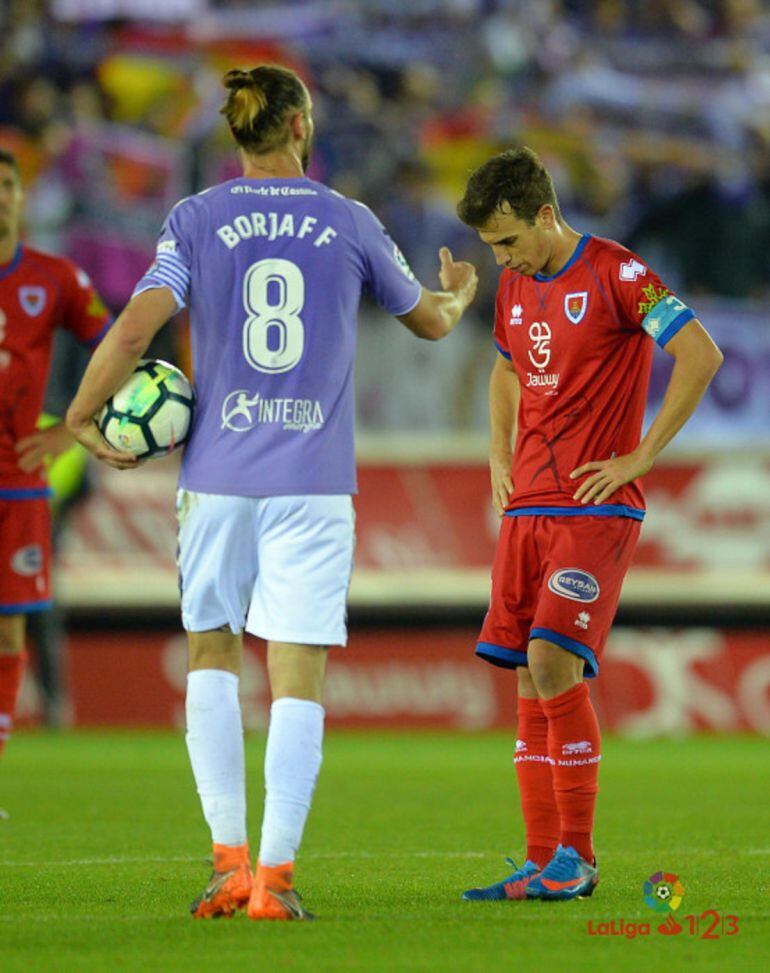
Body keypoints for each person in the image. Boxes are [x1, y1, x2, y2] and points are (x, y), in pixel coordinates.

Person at [66, 65, 477, 920]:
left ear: (243, 132)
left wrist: (80, 412)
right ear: (299, 126)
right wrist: (461, 296)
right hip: (313, 482)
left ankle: (227, 866)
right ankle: (276, 883)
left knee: (211, 656)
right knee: (298, 672)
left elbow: (136, 325)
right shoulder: (350, 219)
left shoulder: (195, 218)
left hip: (215, 476)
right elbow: (430, 322)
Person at [456, 147, 721, 902]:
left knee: (550, 661)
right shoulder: (515, 286)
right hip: (529, 503)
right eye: (493, 247)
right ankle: (542, 861)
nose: (504, 258)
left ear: (545, 213)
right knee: (528, 683)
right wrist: (496, 451)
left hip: (595, 504)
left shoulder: (618, 272)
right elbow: (507, 367)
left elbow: (699, 354)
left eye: (509, 240)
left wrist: (640, 456)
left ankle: (578, 856)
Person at [0, 148, 111, 808]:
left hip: (19, 486)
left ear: (21, 197)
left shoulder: (54, 277)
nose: (2, 197)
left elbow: (116, 342)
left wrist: (70, 425)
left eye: (9, 186)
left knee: (11, 630)